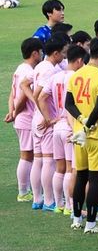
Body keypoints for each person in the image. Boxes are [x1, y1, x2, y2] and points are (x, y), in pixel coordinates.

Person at [65, 37, 98, 234]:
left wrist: (81, 120)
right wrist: (89, 124)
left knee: (81, 177)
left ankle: (77, 219)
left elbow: (68, 104)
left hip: (79, 135)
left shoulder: (76, 75)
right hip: (97, 134)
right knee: (94, 180)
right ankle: (91, 224)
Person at [26, 36, 66, 210]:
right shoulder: (49, 69)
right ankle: (49, 201)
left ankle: (38, 199)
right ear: (55, 53)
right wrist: (48, 118)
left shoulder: (40, 65)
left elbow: (27, 87)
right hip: (45, 119)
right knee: (49, 161)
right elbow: (38, 95)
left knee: (38, 159)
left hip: (37, 118)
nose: (65, 56)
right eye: (63, 53)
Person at [46, 45, 86, 215]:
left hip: (57, 126)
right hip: (70, 125)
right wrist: (73, 126)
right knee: (71, 168)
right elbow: (72, 106)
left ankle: (58, 204)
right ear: (78, 61)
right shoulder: (77, 78)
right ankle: (71, 206)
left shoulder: (55, 77)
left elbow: (41, 97)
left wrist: (50, 118)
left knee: (59, 167)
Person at [7, 38, 43, 203]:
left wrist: (12, 111)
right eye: (40, 52)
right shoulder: (28, 71)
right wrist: (15, 113)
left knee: (28, 155)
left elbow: (11, 94)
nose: (42, 54)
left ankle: (26, 190)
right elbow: (20, 97)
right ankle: (23, 192)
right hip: (26, 118)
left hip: (22, 117)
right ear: (35, 53)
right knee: (27, 156)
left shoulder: (20, 69)